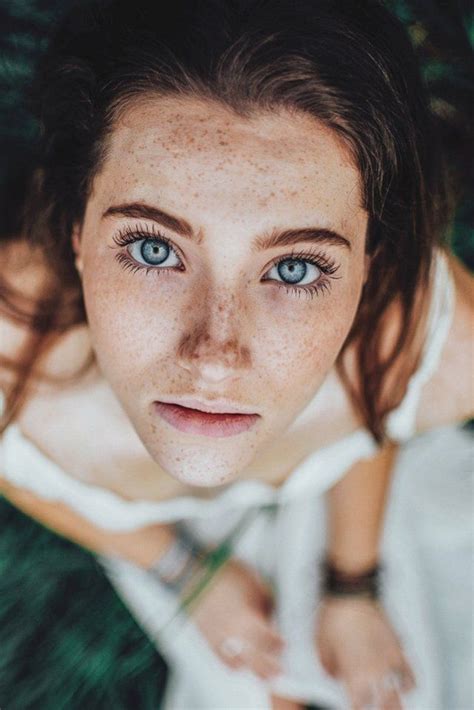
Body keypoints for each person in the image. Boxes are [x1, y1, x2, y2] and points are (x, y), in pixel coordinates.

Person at [0, 0, 472, 708]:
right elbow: (22, 470)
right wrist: (187, 576)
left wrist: (352, 582)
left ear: (371, 265)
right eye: (154, 249)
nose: (214, 359)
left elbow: (383, 401)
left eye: (293, 269)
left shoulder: (436, 349)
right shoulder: (12, 364)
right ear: (74, 226)